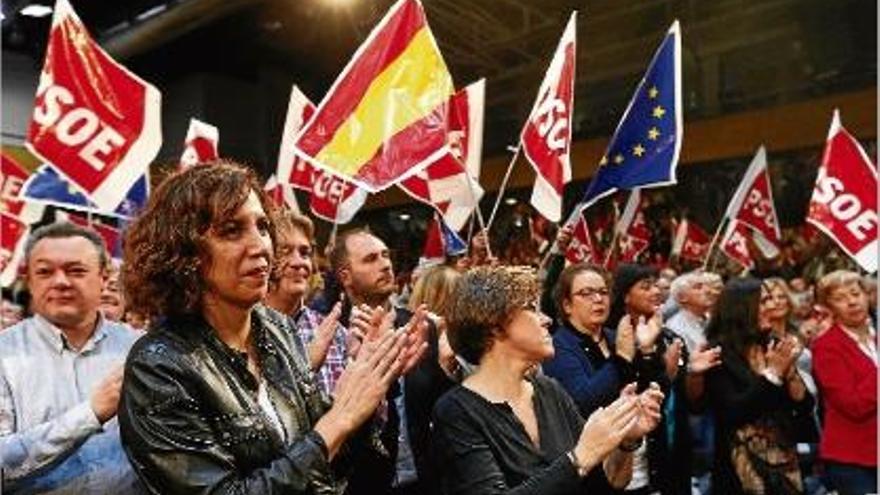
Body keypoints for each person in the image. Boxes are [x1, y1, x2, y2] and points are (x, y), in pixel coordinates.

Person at [118, 162, 426, 494]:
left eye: (263, 227)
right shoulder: (158, 366)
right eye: (232, 230)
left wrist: (372, 382)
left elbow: (330, 466)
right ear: (183, 251)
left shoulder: (278, 329)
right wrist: (338, 422)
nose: (261, 246)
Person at [433, 265, 664, 495]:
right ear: (495, 326)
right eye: (532, 308)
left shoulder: (549, 390)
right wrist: (578, 458)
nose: (546, 320)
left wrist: (626, 441)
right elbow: (580, 462)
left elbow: (606, 483)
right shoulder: (456, 412)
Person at [0, 222, 143, 493]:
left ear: (103, 277)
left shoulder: (137, 349)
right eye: (44, 272)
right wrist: (91, 413)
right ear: (29, 280)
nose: (61, 281)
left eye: (76, 271)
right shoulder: (4, 355)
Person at [330, 228, 453, 495]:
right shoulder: (330, 335)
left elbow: (439, 406)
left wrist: (449, 366)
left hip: (426, 483)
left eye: (386, 255)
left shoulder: (419, 326)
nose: (385, 264)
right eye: (370, 259)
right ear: (345, 276)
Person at [705, 277, 814, 494]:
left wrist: (791, 373)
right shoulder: (718, 353)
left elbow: (804, 407)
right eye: (763, 302)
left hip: (785, 467)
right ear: (742, 308)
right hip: (738, 472)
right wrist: (772, 375)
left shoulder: (772, 345)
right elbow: (732, 412)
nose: (772, 307)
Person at [264, 209, 346, 398]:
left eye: (305, 252)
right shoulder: (242, 331)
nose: (298, 262)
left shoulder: (336, 333)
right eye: (284, 251)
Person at [811, 270, 877, 495]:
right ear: (829, 308)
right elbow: (853, 405)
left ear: (867, 296)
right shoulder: (826, 346)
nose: (851, 302)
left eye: (855, 293)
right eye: (840, 298)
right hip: (854, 460)